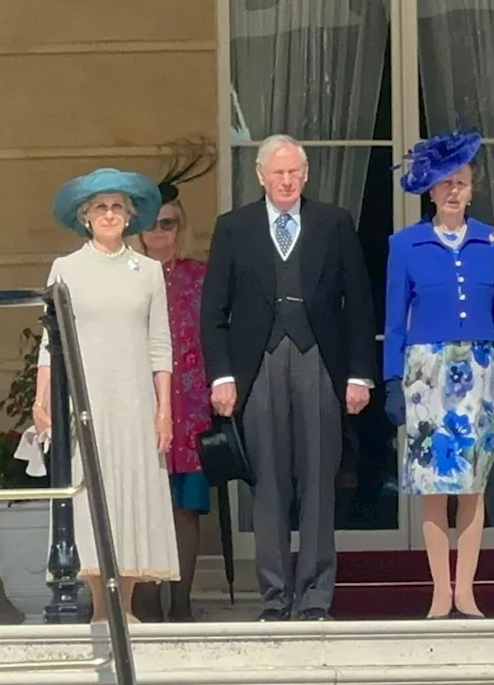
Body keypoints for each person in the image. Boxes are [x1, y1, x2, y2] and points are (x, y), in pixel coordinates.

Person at [200, 134, 379, 622]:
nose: (285, 181)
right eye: (276, 173)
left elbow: (360, 305)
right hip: (257, 365)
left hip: (318, 359)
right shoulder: (234, 228)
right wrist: (222, 376)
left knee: (320, 479)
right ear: (260, 176)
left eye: (293, 173)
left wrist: (360, 374)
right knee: (269, 484)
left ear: (305, 176)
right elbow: (213, 311)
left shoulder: (333, 223)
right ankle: (276, 599)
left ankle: (317, 597)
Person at [382, 130, 494, 619]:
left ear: (472, 189)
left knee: (472, 485)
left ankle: (465, 589)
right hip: (426, 373)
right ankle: (439, 591)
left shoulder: (492, 241)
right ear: (430, 190)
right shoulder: (406, 245)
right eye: (445, 184)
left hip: (479, 369)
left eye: (461, 183)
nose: (453, 192)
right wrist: (390, 381)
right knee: (432, 488)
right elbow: (393, 320)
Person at [32, 167, 179, 623]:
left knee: (131, 491)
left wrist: (164, 410)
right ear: (85, 217)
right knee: (91, 491)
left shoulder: (148, 271)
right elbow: (48, 342)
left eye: (118, 206)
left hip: (136, 400)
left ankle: (125, 604)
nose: (110, 214)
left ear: (130, 215)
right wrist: (41, 401)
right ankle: (98, 607)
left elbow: (160, 344)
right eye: (101, 207)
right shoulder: (66, 269)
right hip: (86, 397)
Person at [132, 147, 215, 622]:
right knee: (143, 506)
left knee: (186, 509)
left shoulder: (200, 277)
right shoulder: (127, 277)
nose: (159, 233)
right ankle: (144, 603)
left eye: (168, 224)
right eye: (151, 224)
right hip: (141, 405)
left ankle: (181, 604)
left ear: (180, 228)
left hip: (191, 408)